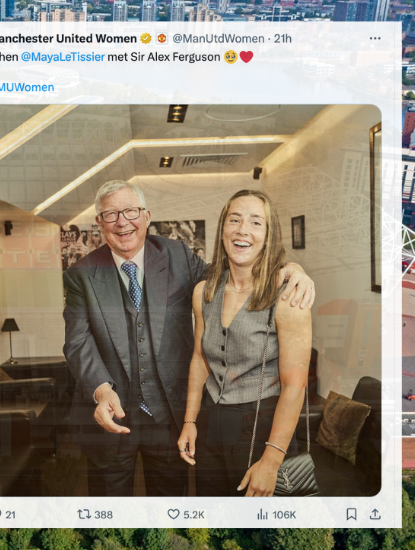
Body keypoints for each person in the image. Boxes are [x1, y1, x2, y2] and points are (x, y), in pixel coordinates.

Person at [62, 181, 315, 497]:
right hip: (111, 420)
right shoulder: (79, 275)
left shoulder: (177, 255)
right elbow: (77, 341)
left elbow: (233, 269)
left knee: (175, 509)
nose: (122, 221)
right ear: (99, 222)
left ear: (147, 215)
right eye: (111, 214)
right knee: (110, 515)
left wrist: (292, 268)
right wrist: (101, 390)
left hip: (170, 416)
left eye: (130, 211)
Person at [176, 189, 312, 496]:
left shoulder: (289, 296)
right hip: (213, 424)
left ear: (269, 234)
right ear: (223, 229)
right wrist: (190, 420)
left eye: (256, 222)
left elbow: (295, 386)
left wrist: (272, 461)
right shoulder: (204, 292)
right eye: (234, 220)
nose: (242, 230)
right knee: (215, 523)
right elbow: (199, 359)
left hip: (263, 426)